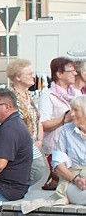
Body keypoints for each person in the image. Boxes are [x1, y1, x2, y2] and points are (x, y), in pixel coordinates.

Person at [0, 89, 33, 202]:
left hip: (2, 189)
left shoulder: (9, 129)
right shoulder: (13, 124)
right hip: (6, 187)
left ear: (7, 107)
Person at [37, 57, 77, 189]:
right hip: (56, 148)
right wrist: (64, 119)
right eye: (71, 71)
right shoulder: (48, 96)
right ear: (59, 74)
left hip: (76, 147)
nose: (75, 74)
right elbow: (42, 124)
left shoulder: (75, 94)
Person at [6, 58, 46, 185]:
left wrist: (39, 140)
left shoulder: (29, 95)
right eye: (29, 74)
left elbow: (37, 119)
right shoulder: (10, 97)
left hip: (33, 146)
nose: (33, 76)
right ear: (18, 77)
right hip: (20, 148)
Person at [52, 94, 86, 204]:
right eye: (71, 110)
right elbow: (58, 164)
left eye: (76, 110)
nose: (72, 114)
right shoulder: (66, 131)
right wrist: (76, 179)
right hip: (74, 180)